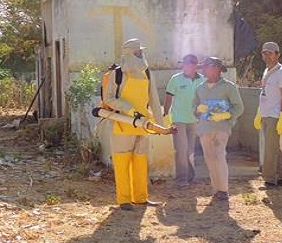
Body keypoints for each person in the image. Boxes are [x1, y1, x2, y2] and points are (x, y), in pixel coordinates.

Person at [104, 38, 165, 210]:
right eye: (138, 52)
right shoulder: (116, 74)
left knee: (140, 161)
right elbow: (108, 99)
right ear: (130, 53)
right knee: (122, 162)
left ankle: (140, 197)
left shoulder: (147, 72)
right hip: (123, 124)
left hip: (143, 123)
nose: (141, 54)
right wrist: (129, 109)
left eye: (141, 52)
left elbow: (153, 98)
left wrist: (159, 125)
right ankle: (124, 199)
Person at [193, 57, 244, 202]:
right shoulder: (200, 88)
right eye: (204, 67)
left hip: (221, 127)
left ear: (216, 69)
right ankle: (216, 189)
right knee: (209, 158)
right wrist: (197, 110)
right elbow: (194, 106)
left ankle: (223, 189)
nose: (204, 70)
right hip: (205, 128)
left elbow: (239, 107)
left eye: (207, 67)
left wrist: (227, 115)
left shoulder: (229, 87)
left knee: (219, 155)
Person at [254, 41, 282, 189]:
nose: (267, 55)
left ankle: (269, 179)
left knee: (269, 149)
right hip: (266, 114)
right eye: (264, 53)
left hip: (275, 115)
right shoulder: (267, 70)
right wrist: (259, 113)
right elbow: (265, 93)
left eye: (270, 53)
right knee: (273, 147)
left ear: (278, 55)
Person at [163, 54, 205, 187]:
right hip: (178, 119)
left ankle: (191, 176)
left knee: (190, 149)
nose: (186, 66)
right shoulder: (175, 79)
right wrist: (165, 115)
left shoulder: (203, 80)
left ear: (195, 65)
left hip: (194, 120)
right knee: (181, 148)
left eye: (190, 64)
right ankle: (182, 179)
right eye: (185, 63)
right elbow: (168, 97)